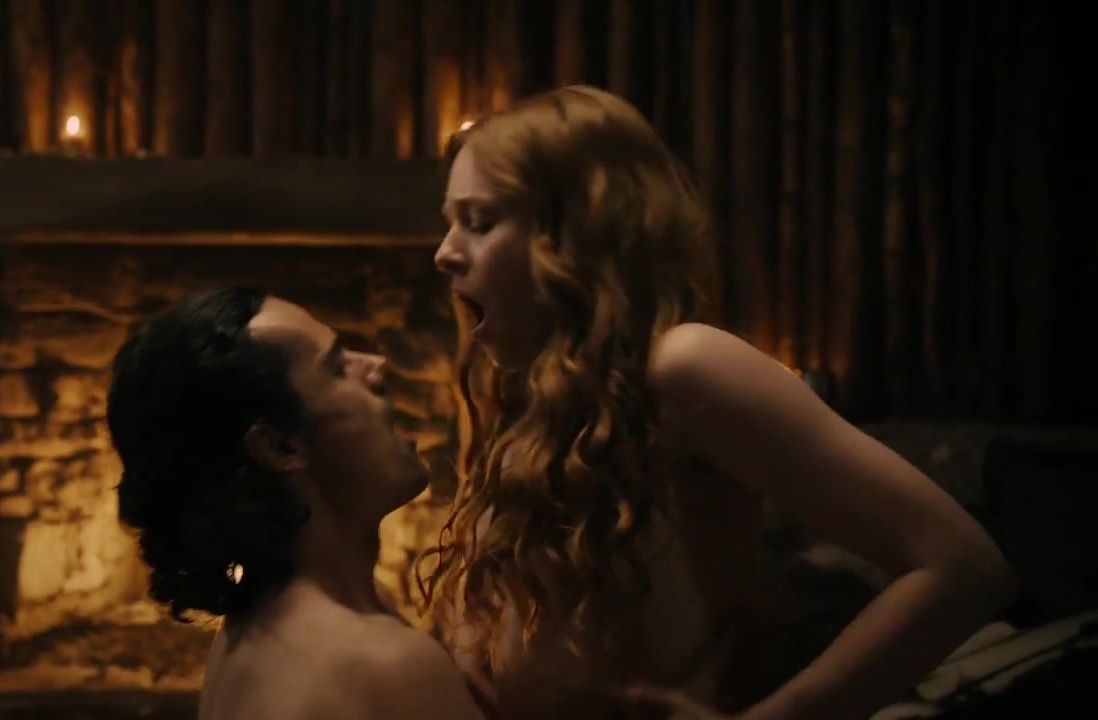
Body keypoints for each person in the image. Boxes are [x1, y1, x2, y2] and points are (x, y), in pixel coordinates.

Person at [425, 85, 1016, 720]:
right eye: (450, 222)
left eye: (479, 222)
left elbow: (962, 566)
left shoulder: (685, 366)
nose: (444, 253)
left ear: (577, 233)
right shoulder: (539, 397)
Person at [106, 287, 494, 720]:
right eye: (338, 368)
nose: (377, 364)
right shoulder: (384, 664)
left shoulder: (249, 629)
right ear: (280, 446)